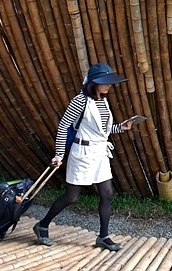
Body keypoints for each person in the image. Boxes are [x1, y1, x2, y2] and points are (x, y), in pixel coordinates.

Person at [33, 63, 133, 251]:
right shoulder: (80, 101)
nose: (109, 86)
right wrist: (59, 154)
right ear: (94, 83)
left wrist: (121, 127)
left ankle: (103, 237)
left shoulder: (102, 100)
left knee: (107, 193)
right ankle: (42, 225)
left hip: (100, 153)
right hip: (82, 154)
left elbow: (102, 131)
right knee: (71, 196)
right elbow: (64, 127)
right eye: (106, 82)